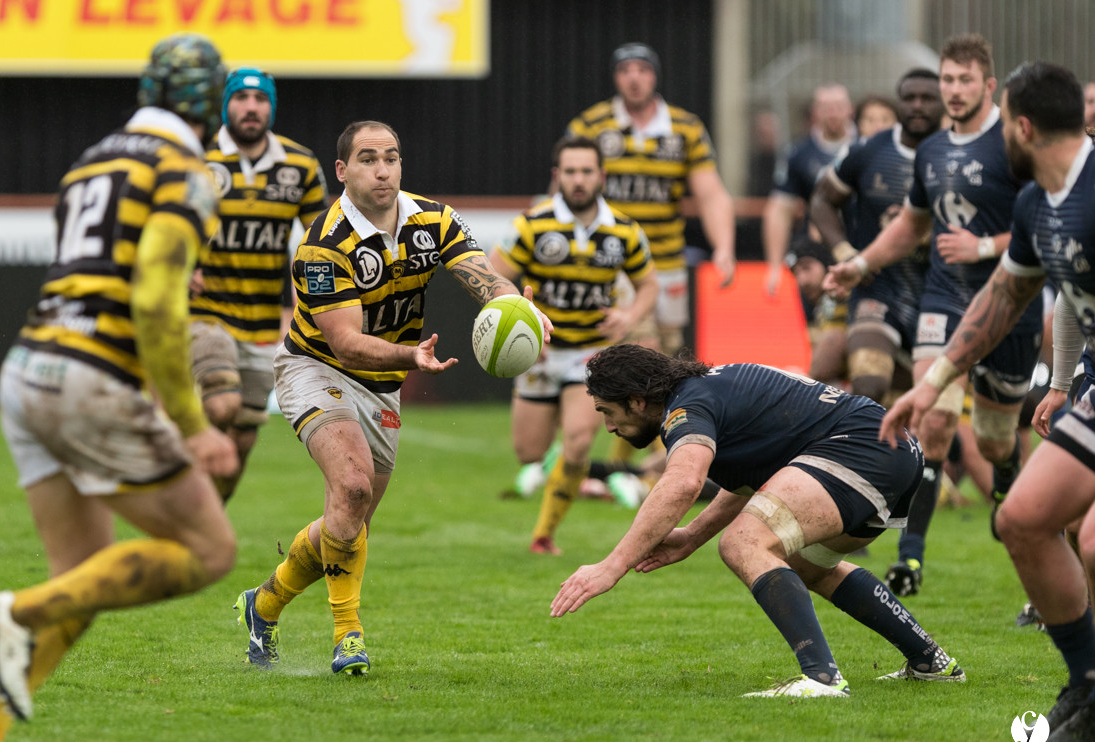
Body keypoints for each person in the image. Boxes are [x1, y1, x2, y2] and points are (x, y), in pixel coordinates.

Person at [0, 33, 236, 742]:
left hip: (26, 367)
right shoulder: (184, 169)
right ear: (213, 107)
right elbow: (159, 297)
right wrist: (194, 423)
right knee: (210, 550)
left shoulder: (94, 157)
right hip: (92, 379)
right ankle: (11, 610)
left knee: (87, 581)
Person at [233, 121, 551, 674]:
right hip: (316, 367)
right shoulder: (322, 245)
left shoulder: (433, 218)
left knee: (350, 519)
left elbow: (484, 277)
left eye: (391, 158)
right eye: (368, 159)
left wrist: (518, 308)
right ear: (342, 170)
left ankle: (263, 604)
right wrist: (411, 358)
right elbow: (347, 343)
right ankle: (348, 636)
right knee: (352, 486)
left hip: (382, 384)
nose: (382, 170)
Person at [881, 62, 1095, 742]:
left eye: (1005, 118)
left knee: (1092, 540)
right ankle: (1088, 684)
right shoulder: (1037, 205)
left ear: (1023, 126)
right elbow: (1006, 298)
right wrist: (931, 379)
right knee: (1023, 520)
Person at [550, 344, 964, 698]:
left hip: (862, 449)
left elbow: (682, 484)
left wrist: (611, 566)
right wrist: (693, 535)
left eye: (608, 411)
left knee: (743, 543)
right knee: (803, 563)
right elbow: (755, 483)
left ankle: (822, 678)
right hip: (889, 450)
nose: (608, 426)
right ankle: (931, 661)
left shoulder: (687, 407)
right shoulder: (709, 389)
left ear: (637, 401)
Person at [825, 34, 1037, 596]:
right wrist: (860, 263)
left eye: (966, 80)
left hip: (1012, 302)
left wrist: (985, 247)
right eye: (948, 80)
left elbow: (1048, 219)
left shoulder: (1015, 144)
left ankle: (1010, 496)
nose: (954, 90)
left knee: (994, 439)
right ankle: (910, 559)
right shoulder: (935, 151)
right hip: (943, 301)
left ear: (989, 85)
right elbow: (913, 225)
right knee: (933, 419)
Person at [492, 136, 657, 555]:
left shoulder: (623, 230)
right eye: (570, 172)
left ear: (601, 176)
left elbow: (648, 285)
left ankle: (543, 535)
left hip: (590, 352)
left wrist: (629, 316)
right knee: (529, 452)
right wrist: (524, 326)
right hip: (541, 353)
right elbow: (494, 277)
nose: (579, 180)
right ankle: (567, 477)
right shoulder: (532, 225)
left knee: (580, 440)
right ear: (557, 176)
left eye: (586, 171)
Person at [189, 67, 328, 502]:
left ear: (271, 107)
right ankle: (180, 486)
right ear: (225, 105)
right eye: (242, 99)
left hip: (263, 320)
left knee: (243, 437)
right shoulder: (196, 158)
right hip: (205, 312)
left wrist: (322, 302)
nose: (252, 108)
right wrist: (180, 262)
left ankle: (204, 515)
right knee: (221, 404)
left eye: (261, 100)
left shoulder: (300, 165)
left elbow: (320, 241)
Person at [566, 42, 736, 357]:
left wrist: (724, 247)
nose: (634, 78)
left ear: (654, 77)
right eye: (625, 70)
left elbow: (711, 195)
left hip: (667, 260)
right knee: (637, 347)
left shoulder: (684, 127)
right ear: (615, 78)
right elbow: (563, 188)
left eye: (642, 70)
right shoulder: (591, 125)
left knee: (671, 355)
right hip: (612, 259)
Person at [810, 68, 945, 406]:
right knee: (869, 384)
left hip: (938, 293)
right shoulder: (869, 151)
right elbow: (822, 200)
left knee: (919, 414)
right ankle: (837, 446)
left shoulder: (955, 156)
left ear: (943, 103)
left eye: (927, 99)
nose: (916, 106)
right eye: (909, 98)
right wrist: (843, 251)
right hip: (876, 287)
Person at [763, 83, 856, 296]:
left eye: (839, 106)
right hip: (816, 254)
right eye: (826, 107)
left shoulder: (865, 147)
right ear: (815, 112)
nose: (833, 113)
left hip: (859, 248)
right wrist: (774, 266)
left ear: (850, 109)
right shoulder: (798, 154)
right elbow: (779, 210)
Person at [785, 237, 850, 386]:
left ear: (827, 265)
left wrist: (807, 381)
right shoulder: (815, 308)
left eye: (807, 268)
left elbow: (822, 368)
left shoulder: (842, 295)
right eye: (795, 273)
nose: (802, 280)